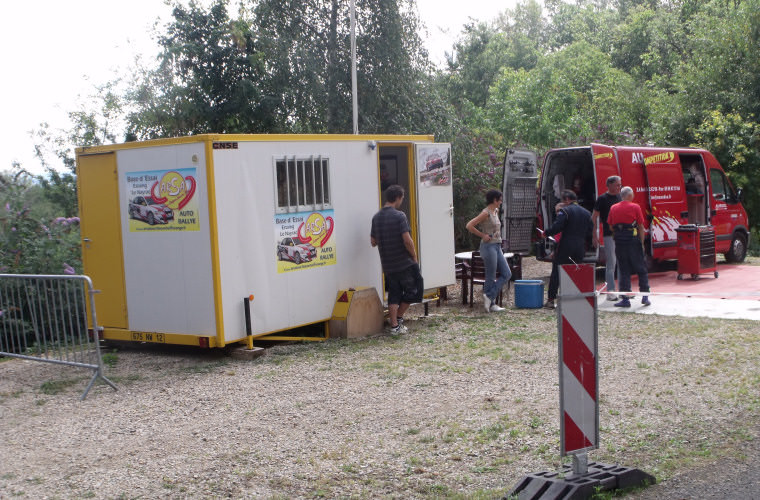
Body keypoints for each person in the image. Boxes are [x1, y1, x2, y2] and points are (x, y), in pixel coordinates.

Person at [370, 185, 423, 334]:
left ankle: (394, 326)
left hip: (388, 263)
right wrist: (413, 256)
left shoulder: (376, 217)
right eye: (402, 198)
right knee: (415, 289)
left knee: (394, 292)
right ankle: (399, 317)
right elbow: (407, 240)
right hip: (403, 262)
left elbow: (373, 242)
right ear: (398, 198)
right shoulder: (399, 216)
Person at [543, 190, 593, 309]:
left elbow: (558, 226)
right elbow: (590, 230)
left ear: (566, 199)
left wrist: (546, 233)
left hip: (565, 245)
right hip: (580, 246)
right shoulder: (587, 212)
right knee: (575, 271)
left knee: (557, 271)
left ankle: (551, 299)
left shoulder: (565, 211)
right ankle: (573, 298)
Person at [465, 189, 511, 313]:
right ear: (494, 200)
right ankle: (491, 303)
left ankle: (489, 297)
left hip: (497, 245)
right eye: (500, 200)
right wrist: (482, 235)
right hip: (488, 246)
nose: (501, 202)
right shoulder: (485, 213)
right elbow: (469, 225)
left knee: (507, 273)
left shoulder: (495, 211)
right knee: (490, 276)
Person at [607, 186, 651, 308]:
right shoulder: (635, 207)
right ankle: (645, 296)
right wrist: (642, 243)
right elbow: (641, 226)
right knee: (641, 269)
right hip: (633, 241)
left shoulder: (613, 208)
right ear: (630, 195)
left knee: (624, 270)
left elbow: (610, 226)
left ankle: (625, 299)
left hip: (620, 242)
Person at [591, 175, 622, 301]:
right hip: (609, 234)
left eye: (620, 185)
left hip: (622, 234)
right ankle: (610, 291)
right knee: (611, 263)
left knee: (622, 263)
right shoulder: (602, 199)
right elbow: (594, 217)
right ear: (609, 185)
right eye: (617, 185)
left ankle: (622, 290)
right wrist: (594, 235)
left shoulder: (620, 196)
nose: (619, 187)